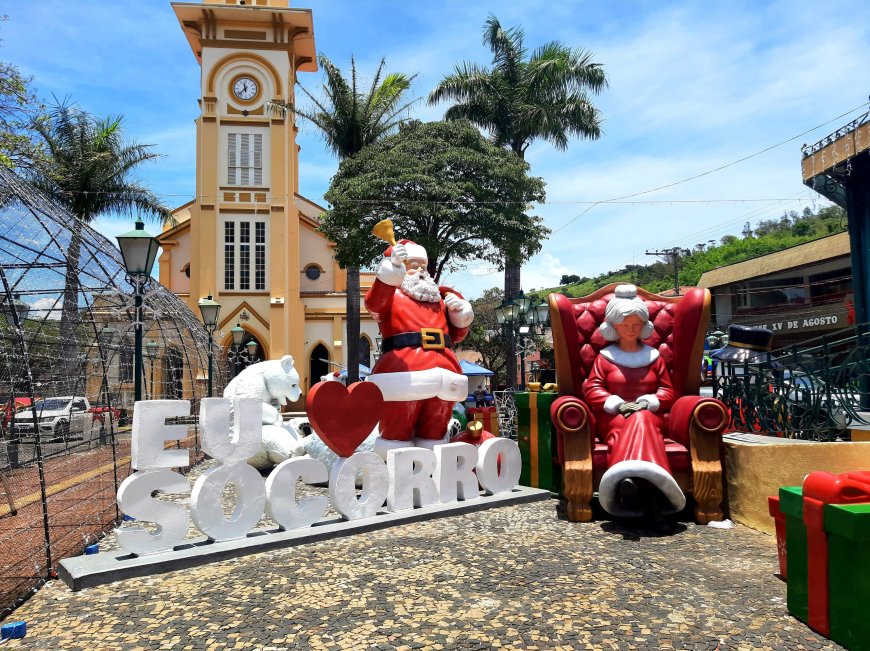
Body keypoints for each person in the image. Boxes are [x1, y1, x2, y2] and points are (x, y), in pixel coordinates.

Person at [582, 284, 685, 529]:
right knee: (638, 420)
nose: (630, 329)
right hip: (615, 418)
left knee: (643, 419)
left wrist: (649, 402)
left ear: (644, 326)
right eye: (625, 324)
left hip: (650, 416)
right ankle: (655, 503)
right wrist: (616, 403)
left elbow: (667, 390)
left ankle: (630, 482)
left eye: (635, 324)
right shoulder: (605, 358)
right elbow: (593, 388)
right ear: (614, 326)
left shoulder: (654, 357)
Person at [364, 239, 474, 457]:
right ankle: (397, 475)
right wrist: (390, 270)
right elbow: (374, 304)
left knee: (436, 431)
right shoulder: (391, 296)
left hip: (445, 371)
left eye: (423, 266)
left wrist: (459, 314)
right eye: (413, 265)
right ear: (400, 268)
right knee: (397, 431)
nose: (420, 271)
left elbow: (457, 334)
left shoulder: (441, 301)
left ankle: (433, 475)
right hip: (404, 372)